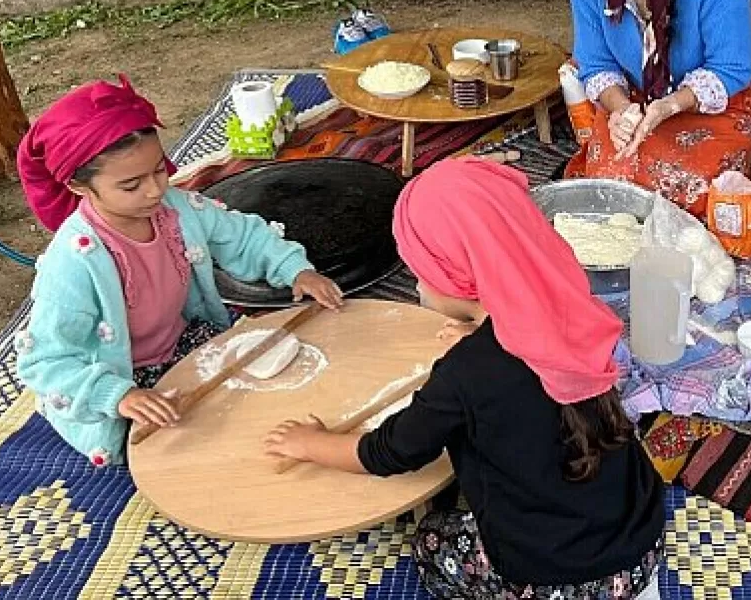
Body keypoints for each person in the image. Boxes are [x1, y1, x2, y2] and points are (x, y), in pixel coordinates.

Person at [264, 158, 665, 600]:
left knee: (432, 537)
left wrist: (311, 443)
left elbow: (390, 452)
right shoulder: (575, 308)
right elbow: (528, 369)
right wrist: (481, 336)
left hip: (557, 578)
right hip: (642, 543)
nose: (417, 284)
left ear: (461, 275)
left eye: (422, 271)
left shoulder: (467, 373)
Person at [15, 76, 342, 467]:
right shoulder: (73, 261)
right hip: (120, 379)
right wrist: (118, 396)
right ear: (78, 186)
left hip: (184, 342)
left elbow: (244, 236)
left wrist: (294, 270)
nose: (154, 191)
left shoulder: (178, 209)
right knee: (191, 455)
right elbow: (45, 362)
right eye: (132, 185)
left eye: (159, 170)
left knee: (266, 397)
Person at [564, 0, 751, 216]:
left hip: (708, 103)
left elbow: (731, 67)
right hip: (636, 98)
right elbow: (595, 64)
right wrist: (621, 110)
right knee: (611, 185)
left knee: (695, 194)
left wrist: (668, 106)